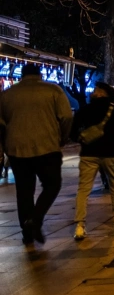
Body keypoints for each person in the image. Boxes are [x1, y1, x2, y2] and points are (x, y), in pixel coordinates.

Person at [0, 64, 74, 245]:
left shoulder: (7, 94)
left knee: (24, 191)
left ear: (22, 75)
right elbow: (67, 117)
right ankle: (36, 218)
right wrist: (62, 137)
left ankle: (27, 231)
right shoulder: (53, 91)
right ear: (39, 75)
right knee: (52, 185)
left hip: (17, 149)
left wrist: (5, 145)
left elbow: (1, 123)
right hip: (47, 147)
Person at [70, 82, 114, 240]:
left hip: (89, 153)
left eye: (96, 90)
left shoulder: (85, 109)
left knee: (83, 189)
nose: (93, 91)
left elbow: (72, 132)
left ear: (101, 93)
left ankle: (80, 225)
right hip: (111, 152)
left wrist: (83, 139)